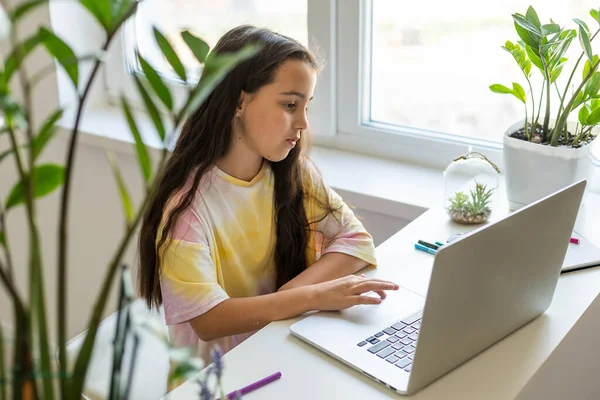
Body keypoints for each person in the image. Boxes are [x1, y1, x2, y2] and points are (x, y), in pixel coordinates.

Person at [137, 25, 399, 363]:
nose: (303, 122)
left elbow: (356, 243)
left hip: (281, 347)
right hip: (217, 376)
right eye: (290, 104)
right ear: (240, 101)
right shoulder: (186, 207)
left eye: (306, 107)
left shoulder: (294, 172)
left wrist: (293, 293)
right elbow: (209, 319)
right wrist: (312, 296)